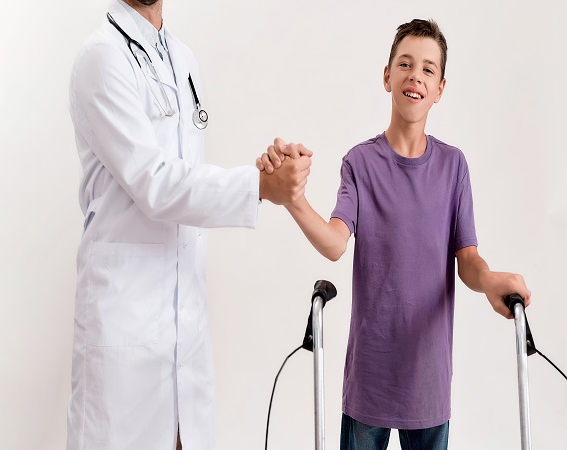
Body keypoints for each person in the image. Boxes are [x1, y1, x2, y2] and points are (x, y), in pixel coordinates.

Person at [258, 19, 531, 450]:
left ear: (440, 87)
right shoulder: (360, 164)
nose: (415, 76)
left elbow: (469, 260)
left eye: (427, 69)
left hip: (428, 381)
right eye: (405, 64)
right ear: (387, 76)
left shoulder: (453, 166)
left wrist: (492, 280)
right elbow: (334, 242)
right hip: (371, 378)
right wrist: (292, 199)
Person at [67, 0, 311, 449]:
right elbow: (156, 185)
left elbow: (188, 181)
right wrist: (258, 185)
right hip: (127, 328)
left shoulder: (182, 58)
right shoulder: (101, 58)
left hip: (186, 332)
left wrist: (263, 174)